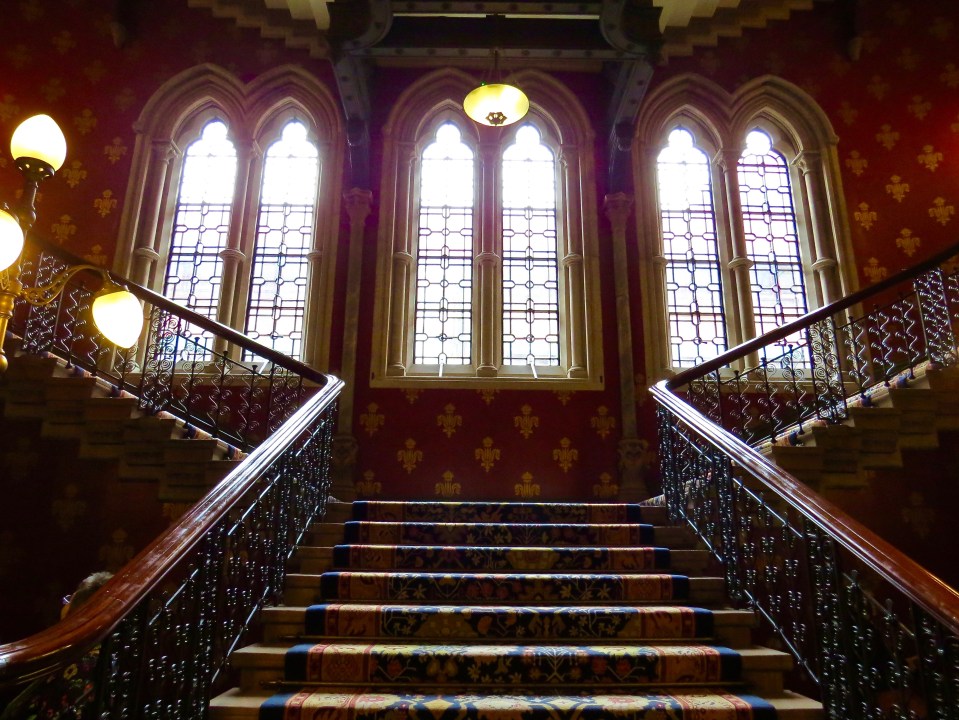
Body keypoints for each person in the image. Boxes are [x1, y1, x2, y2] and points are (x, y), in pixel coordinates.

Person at [0, 572, 113, 720]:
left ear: (80, 610)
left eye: (68, 601)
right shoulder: (108, 655)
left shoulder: (78, 663)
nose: (64, 607)